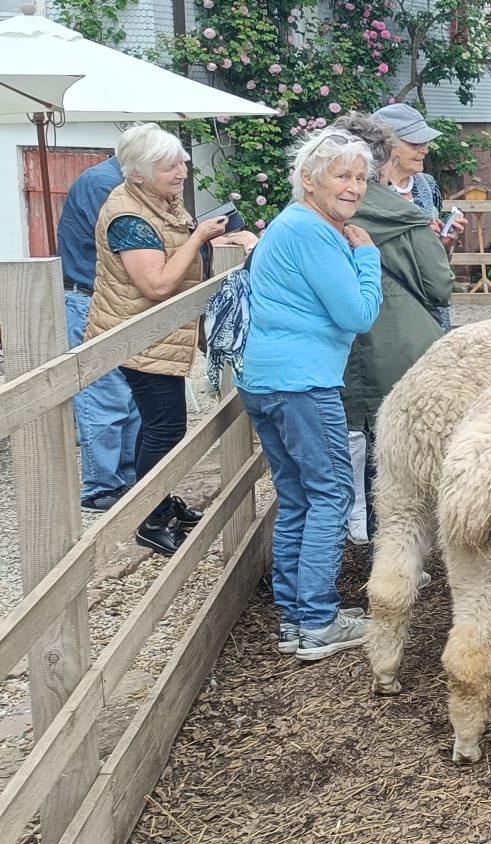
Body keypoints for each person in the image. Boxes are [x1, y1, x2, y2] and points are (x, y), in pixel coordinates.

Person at [241, 128, 383, 661]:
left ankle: (297, 619)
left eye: (361, 178)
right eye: (342, 176)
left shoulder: (288, 224)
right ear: (308, 178)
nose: (354, 187)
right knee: (331, 494)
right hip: (302, 382)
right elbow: (357, 314)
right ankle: (319, 621)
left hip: (265, 379)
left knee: (299, 496)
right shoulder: (313, 231)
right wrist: (367, 258)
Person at [85, 123, 255, 555]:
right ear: (139, 174)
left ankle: (158, 502)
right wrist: (199, 237)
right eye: (170, 167)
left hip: (159, 334)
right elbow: (157, 285)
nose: (182, 172)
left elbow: (174, 248)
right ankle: (150, 518)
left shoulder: (157, 200)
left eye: (182, 162)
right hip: (139, 335)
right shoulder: (128, 217)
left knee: (156, 425)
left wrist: (217, 237)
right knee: (165, 427)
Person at [334, 113, 455, 544]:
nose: (423, 149)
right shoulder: (407, 216)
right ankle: (391, 547)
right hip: (403, 342)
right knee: (397, 452)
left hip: (341, 348)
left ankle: (360, 534)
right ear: (387, 156)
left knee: (355, 440)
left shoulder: (321, 216)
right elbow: (440, 285)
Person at [57, 152, 139, 513]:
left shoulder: (119, 180)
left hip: (111, 298)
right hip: (90, 298)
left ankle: (127, 479)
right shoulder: (103, 184)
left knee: (129, 394)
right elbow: (123, 242)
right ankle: (101, 485)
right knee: (103, 394)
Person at [370, 103, 460, 330]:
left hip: (433, 305)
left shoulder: (427, 185)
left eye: (426, 142)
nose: (425, 149)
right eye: (415, 143)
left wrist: (443, 244)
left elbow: (434, 256)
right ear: (387, 146)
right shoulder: (367, 191)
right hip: (392, 306)